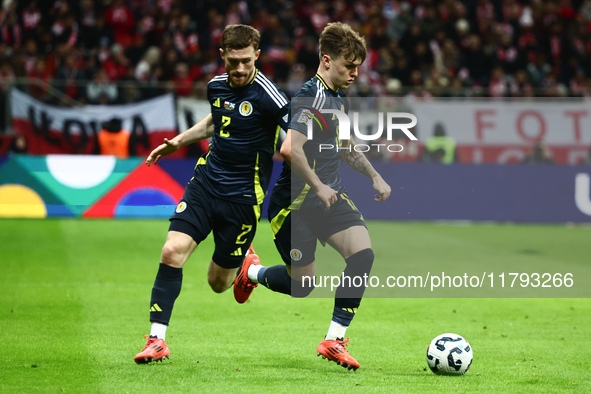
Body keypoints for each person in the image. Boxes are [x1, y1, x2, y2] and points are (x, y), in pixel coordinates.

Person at [233, 22, 391, 371]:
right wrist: (319, 186)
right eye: (349, 66)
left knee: (362, 255)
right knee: (303, 286)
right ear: (326, 59)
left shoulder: (337, 97)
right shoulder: (310, 97)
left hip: (329, 197)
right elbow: (290, 149)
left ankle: (334, 340)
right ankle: (252, 272)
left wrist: (375, 175)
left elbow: (346, 147)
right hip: (296, 206)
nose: (355, 73)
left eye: (358, 67)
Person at [134, 24, 289, 364]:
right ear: (222, 56)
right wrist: (178, 141)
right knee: (171, 251)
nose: (240, 69)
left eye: (246, 61)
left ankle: (247, 271)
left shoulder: (271, 97)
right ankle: (157, 339)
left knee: (218, 283)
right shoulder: (216, 86)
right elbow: (214, 122)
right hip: (206, 182)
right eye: (233, 61)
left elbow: (299, 132)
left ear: (257, 56)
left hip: (243, 200)